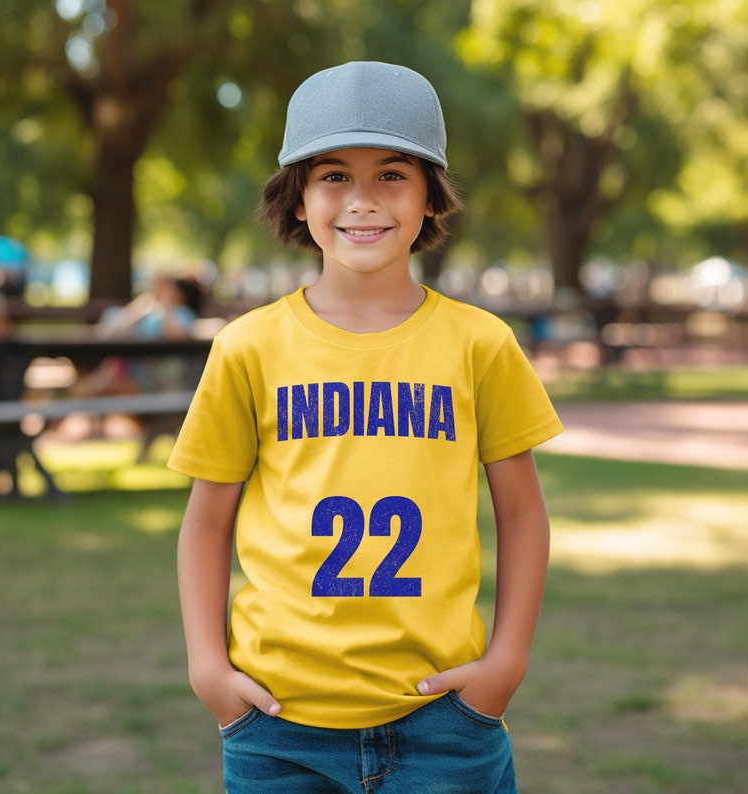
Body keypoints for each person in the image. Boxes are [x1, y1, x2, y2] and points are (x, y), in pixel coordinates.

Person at [169, 61, 563, 793]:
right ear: (297, 198)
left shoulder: (480, 344)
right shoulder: (247, 348)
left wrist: (504, 666)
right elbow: (206, 524)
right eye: (332, 176)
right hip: (277, 721)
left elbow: (521, 510)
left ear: (429, 196)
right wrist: (208, 669)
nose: (362, 201)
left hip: (445, 719)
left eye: (391, 175)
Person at [72, 272, 203, 397]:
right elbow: (112, 329)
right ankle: (74, 397)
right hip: (132, 370)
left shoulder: (183, 314)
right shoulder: (154, 311)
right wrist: (143, 304)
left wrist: (167, 305)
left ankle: (72, 398)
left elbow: (177, 336)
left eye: (170, 288)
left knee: (102, 386)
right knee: (107, 377)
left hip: (154, 381)